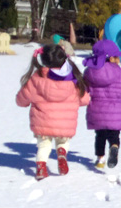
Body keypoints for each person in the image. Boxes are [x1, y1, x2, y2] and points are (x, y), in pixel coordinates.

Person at [15, 45, 90, 181]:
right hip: (65, 123)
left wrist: (22, 102)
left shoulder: (37, 78)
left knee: (44, 145)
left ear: (43, 60)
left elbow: (23, 98)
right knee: (62, 142)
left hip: (42, 122)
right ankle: (61, 153)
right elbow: (84, 99)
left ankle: (41, 167)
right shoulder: (72, 78)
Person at [83, 40, 121, 169]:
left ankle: (100, 160)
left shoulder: (89, 72)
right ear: (111, 58)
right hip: (116, 111)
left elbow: (84, 91)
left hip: (96, 111)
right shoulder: (119, 73)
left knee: (100, 136)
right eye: (117, 57)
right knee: (114, 134)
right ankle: (114, 146)